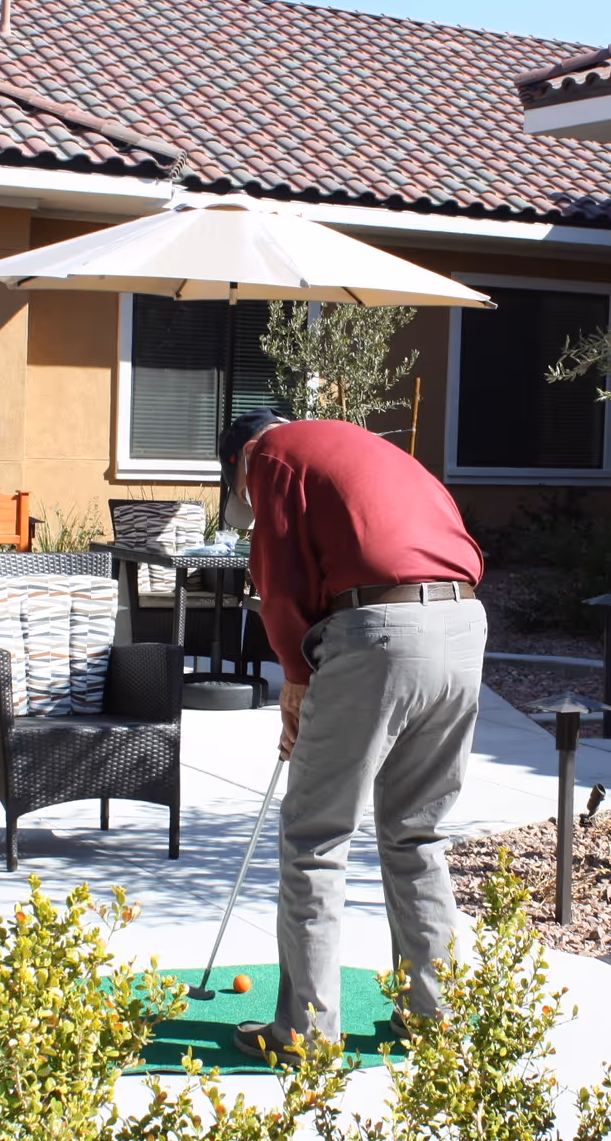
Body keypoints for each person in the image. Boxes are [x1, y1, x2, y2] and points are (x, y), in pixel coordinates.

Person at [218, 407, 486, 1062]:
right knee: (416, 831)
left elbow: (278, 581)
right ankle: (436, 1018)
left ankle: (304, 1036)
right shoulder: (368, 451)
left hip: (378, 636)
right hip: (464, 624)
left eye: (240, 494)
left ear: (240, 461)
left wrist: (296, 677)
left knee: (314, 836)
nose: (249, 500)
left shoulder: (273, 453)